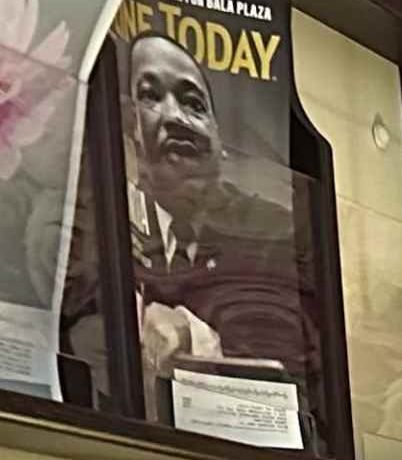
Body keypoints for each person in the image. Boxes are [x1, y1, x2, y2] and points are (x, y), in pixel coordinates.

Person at [125, 28, 314, 398]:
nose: (174, 116)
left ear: (220, 140)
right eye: (150, 96)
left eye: (193, 103)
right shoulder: (104, 223)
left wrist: (190, 337)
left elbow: (284, 366)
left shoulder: (274, 231)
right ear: (130, 126)